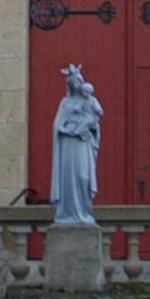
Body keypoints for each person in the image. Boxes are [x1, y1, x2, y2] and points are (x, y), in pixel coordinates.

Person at [51, 62, 102, 224]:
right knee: (68, 179)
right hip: (68, 144)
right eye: (72, 83)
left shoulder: (90, 101)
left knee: (83, 177)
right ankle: (67, 213)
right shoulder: (64, 103)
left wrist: (92, 127)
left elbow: (96, 121)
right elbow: (57, 124)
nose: (76, 85)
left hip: (83, 143)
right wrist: (64, 130)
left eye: (78, 82)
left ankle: (84, 211)